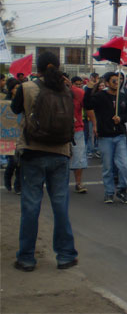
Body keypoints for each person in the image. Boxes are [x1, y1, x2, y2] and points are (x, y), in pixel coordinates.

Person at [11, 52, 78, 272]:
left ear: (36, 67)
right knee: (60, 206)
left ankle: (27, 258)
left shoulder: (27, 87)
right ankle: (66, 255)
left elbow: (15, 109)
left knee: (31, 206)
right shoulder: (66, 89)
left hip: (33, 151)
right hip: (60, 152)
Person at [84, 72, 127, 204]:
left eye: (119, 80)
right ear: (107, 82)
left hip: (120, 135)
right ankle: (109, 192)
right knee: (108, 166)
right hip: (105, 136)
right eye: (114, 81)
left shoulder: (122, 96)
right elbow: (88, 105)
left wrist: (121, 118)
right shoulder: (100, 96)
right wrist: (88, 89)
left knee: (124, 164)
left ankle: (122, 189)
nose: (117, 83)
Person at [69, 76, 88, 193]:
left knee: (79, 157)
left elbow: (89, 107)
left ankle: (78, 183)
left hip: (77, 129)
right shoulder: (54, 92)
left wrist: (94, 123)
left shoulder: (79, 93)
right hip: (59, 131)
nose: (79, 86)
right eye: (76, 84)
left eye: (80, 84)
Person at [3, 78, 22, 194]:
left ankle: (18, 185)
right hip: (8, 136)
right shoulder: (6, 102)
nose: (17, 90)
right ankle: (7, 177)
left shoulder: (23, 101)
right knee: (13, 161)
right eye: (15, 88)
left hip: (20, 135)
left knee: (21, 162)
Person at [84, 73, 101, 158]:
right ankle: (89, 150)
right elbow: (86, 102)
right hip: (90, 116)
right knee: (91, 134)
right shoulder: (87, 89)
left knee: (98, 134)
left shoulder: (102, 93)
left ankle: (97, 149)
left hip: (100, 116)